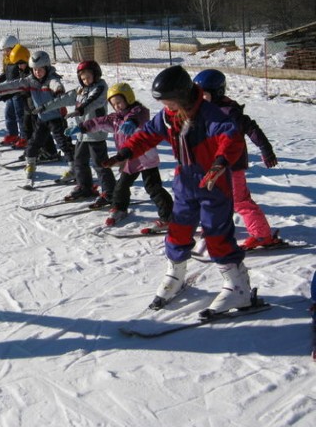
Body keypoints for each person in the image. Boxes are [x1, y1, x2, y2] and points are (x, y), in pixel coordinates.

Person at [103, 65, 249, 316]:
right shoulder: (169, 115)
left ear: (182, 95)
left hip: (212, 183)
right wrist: (125, 153)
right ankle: (176, 275)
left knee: (216, 233)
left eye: (169, 100)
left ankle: (238, 287)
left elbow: (231, 137)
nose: (166, 106)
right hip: (185, 182)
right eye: (163, 102)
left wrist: (220, 164)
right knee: (177, 230)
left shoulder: (208, 113)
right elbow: (147, 135)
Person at [193, 69, 281, 250]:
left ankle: (262, 236)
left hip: (232, 165)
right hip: (211, 166)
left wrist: (266, 150)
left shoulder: (230, 112)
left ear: (216, 92)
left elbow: (252, 129)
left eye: (204, 94)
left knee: (240, 201)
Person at [67, 82, 173, 227]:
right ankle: (119, 208)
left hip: (145, 159)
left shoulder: (139, 111)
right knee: (121, 187)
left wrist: (131, 122)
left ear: (128, 98)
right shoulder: (115, 118)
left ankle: (169, 216)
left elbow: (139, 117)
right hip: (127, 160)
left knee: (153, 188)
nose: (117, 106)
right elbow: (98, 122)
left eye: (119, 102)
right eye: (113, 104)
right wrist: (80, 127)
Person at [0, 50, 74, 186]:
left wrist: (58, 90)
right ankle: (30, 165)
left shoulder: (51, 79)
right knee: (33, 144)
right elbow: (12, 85)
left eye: (40, 69)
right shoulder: (30, 81)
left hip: (56, 119)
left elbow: (56, 84)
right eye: (34, 69)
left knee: (64, 144)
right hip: (42, 119)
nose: (37, 72)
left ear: (47, 68)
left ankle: (75, 169)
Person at [36, 61, 116, 202]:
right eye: (83, 78)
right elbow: (64, 99)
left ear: (96, 75)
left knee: (100, 164)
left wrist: (79, 110)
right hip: (82, 133)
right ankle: (85, 187)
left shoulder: (101, 87)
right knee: (79, 161)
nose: (86, 80)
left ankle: (110, 193)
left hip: (96, 133)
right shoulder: (80, 90)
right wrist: (44, 107)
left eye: (88, 77)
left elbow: (92, 101)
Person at [0, 36, 28, 147]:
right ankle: (13, 134)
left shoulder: (20, 60)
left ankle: (24, 137)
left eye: (7, 50)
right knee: (9, 114)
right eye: (4, 50)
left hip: (18, 92)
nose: (5, 53)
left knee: (20, 115)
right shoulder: (7, 60)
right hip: (10, 90)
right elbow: (7, 74)